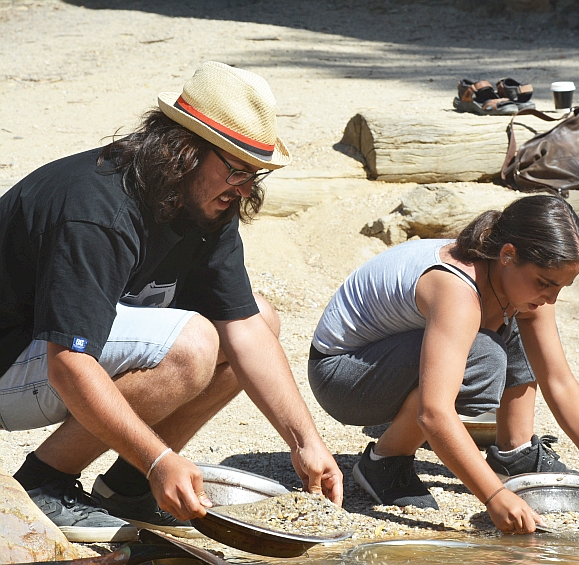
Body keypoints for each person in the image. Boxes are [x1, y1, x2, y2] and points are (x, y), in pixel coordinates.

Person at [0, 61, 343, 543]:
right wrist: (161, 458)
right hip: (10, 359)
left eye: (254, 175)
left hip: (47, 350)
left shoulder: (204, 201)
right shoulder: (98, 211)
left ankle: (128, 487)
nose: (244, 189)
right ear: (184, 150)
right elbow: (69, 363)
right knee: (193, 344)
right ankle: (44, 483)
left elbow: (244, 327)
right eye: (237, 170)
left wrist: (307, 443)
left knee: (259, 319)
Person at [308, 194, 579, 534]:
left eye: (562, 287)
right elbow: (434, 412)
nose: (552, 298)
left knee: (517, 319)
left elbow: (558, 379)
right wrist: (494, 495)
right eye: (545, 283)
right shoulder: (456, 288)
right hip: (341, 377)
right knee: (483, 356)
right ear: (508, 255)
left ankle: (516, 450)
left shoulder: (516, 281)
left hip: (391, 358)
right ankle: (386, 462)